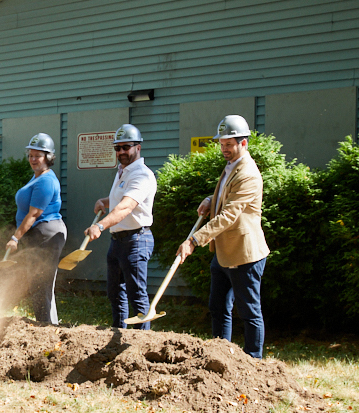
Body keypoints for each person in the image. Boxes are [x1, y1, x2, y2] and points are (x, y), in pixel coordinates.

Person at [175, 115, 270, 358]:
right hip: (223, 253)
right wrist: (210, 200)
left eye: (229, 144)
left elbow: (230, 215)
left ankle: (254, 362)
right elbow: (226, 197)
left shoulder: (248, 173)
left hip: (244, 254)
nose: (224, 149)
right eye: (222, 144)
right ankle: (221, 357)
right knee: (218, 307)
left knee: (249, 312)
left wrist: (194, 240)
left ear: (243, 143)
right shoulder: (232, 166)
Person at [85, 124, 156, 330]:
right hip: (118, 241)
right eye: (118, 148)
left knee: (137, 296)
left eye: (126, 147)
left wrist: (100, 225)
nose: (121, 152)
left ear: (138, 147)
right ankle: (118, 335)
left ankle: (139, 345)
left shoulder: (141, 175)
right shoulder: (123, 171)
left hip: (136, 240)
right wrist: (105, 201)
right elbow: (119, 199)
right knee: (115, 293)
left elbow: (126, 206)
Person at [5, 133, 66, 325]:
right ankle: (46, 324)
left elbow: (33, 214)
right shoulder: (37, 177)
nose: (33, 159)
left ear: (48, 157)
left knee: (42, 282)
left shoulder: (46, 181)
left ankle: (47, 327)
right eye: (30, 155)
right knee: (38, 282)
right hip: (39, 233)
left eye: (37, 156)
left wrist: (15, 238)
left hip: (46, 234)